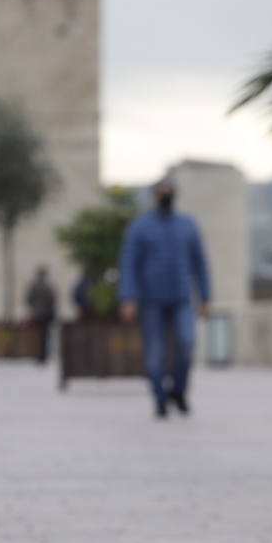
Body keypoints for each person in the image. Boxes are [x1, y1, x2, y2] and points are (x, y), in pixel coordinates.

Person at [118, 179, 211, 418]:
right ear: (154, 196)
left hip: (182, 298)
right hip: (151, 301)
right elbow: (129, 264)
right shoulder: (140, 227)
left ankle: (178, 390)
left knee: (186, 344)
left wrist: (205, 297)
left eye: (169, 192)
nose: (166, 196)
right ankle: (159, 398)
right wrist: (128, 297)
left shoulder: (187, 225)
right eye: (162, 193)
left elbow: (200, 263)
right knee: (155, 352)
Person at [25, 265, 57, 363]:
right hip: (46, 314)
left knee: (37, 336)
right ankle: (44, 355)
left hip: (36, 314)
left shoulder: (33, 286)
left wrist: (34, 308)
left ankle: (38, 355)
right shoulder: (48, 287)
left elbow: (29, 299)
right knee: (45, 336)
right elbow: (53, 300)